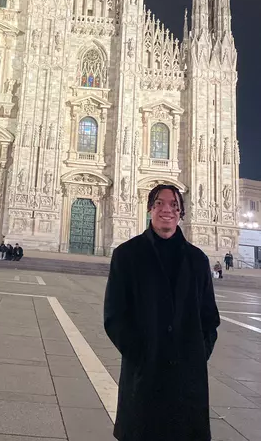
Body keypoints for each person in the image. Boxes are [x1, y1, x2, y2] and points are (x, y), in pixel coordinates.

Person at [104, 184, 220, 441]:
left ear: (181, 212)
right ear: (149, 209)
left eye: (174, 204)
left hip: (187, 378)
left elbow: (210, 318)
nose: (166, 209)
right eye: (159, 203)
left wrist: (197, 355)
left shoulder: (198, 260)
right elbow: (114, 315)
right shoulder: (126, 255)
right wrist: (140, 354)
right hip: (144, 374)